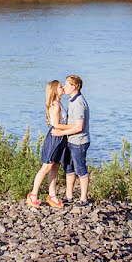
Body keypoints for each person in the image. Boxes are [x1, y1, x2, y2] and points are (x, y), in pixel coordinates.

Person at [27, 80, 68, 208]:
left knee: (55, 166)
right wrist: (74, 126)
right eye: (61, 87)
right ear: (55, 90)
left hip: (61, 137)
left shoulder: (59, 103)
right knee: (46, 167)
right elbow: (56, 125)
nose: (63, 88)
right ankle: (33, 194)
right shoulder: (55, 105)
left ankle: (52, 195)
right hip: (54, 137)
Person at [52, 74, 90, 206]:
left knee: (80, 169)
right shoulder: (72, 99)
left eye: (67, 84)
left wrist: (60, 132)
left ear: (74, 87)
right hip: (71, 140)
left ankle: (84, 199)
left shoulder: (79, 102)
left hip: (79, 141)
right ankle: (69, 196)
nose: (64, 86)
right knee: (69, 168)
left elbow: (79, 127)